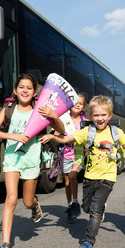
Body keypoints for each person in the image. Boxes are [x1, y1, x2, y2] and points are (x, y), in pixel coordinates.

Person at [40, 95, 125, 248]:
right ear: (91, 116)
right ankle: (98, 208)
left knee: (95, 210)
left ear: (110, 115)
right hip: (90, 176)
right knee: (86, 207)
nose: (100, 119)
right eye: (96, 115)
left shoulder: (116, 132)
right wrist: (53, 137)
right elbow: (68, 138)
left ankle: (88, 242)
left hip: (107, 178)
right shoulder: (87, 131)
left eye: (103, 115)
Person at [0, 73, 64, 248]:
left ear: (34, 92)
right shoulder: (8, 108)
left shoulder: (40, 110)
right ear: (15, 90)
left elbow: (61, 130)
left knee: (27, 201)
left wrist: (54, 115)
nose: (25, 91)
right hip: (12, 158)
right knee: (11, 198)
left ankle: (35, 205)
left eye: (29, 88)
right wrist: (14, 136)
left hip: (31, 160)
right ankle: (5, 246)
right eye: (21, 87)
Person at [57, 93, 87, 223]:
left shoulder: (85, 122)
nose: (77, 105)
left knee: (72, 176)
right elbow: (57, 133)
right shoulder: (64, 118)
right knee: (67, 182)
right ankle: (69, 204)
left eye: (80, 103)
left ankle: (75, 201)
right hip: (66, 153)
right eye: (75, 102)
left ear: (83, 106)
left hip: (78, 154)